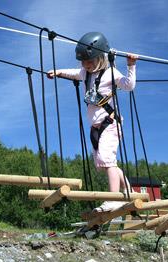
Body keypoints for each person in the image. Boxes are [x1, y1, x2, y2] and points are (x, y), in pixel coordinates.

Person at [47, 32, 138, 212]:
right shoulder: (84, 73)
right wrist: (58, 72)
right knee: (104, 165)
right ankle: (128, 190)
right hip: (95, 128)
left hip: (110, 123)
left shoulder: (111, 72)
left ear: (100, 57)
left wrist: (131, 65)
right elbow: (73, 73)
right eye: (83, 62)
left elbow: (128, 85)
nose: (86, 66)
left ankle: (113, 199)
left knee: (107, 160)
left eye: (90, 62)